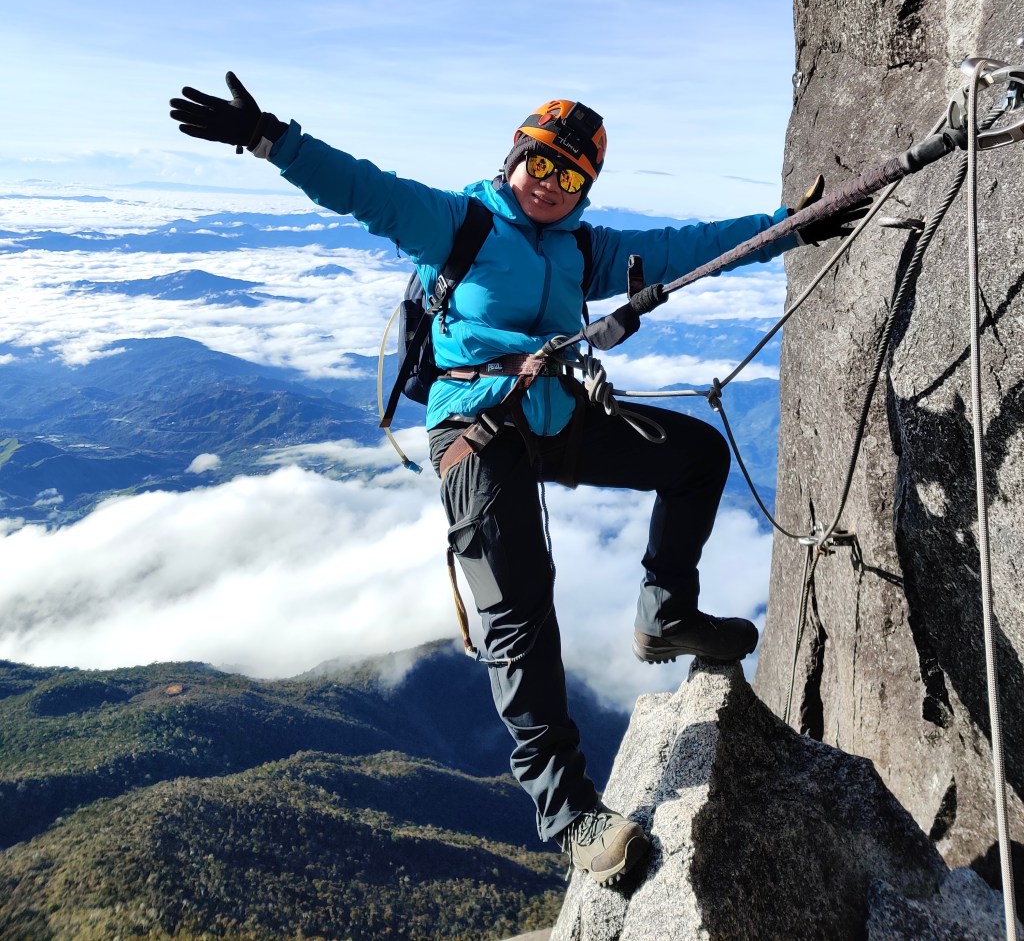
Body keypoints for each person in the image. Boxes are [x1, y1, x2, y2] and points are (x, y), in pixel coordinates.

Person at [169, 75, 863, 886]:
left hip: (557, 416)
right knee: (520, 607)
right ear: (514, 153)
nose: (548, 182)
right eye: (539, 161)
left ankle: (665, 614)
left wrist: (791, 226)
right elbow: (365, 190)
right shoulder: (458, 223)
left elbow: (690, 246)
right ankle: (569, 813)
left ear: (584, 190)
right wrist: (270, 138)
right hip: (477, 430)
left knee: (698, 455)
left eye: (569, 176)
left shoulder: (582, 247)